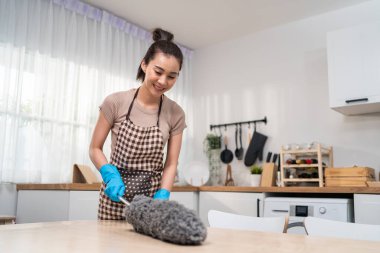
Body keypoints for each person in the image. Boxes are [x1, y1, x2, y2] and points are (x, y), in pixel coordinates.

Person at [89, 28, 186, 220]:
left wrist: (164, 193)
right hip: (113, 199)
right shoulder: (115, 102)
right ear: (144, 65)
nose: (162, 81)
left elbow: (171, 163)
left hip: (150, 204)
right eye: (158, 72)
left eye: (172, 76)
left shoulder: (176, 113)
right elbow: (94, 148)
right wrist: (109, 174)